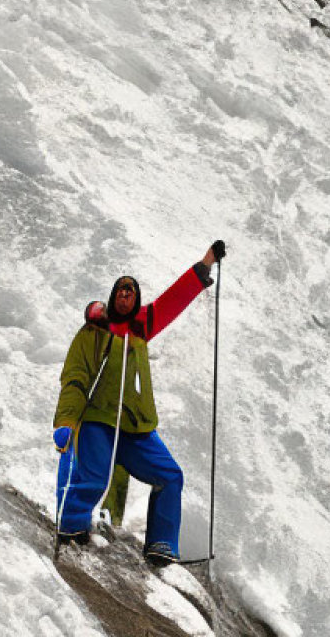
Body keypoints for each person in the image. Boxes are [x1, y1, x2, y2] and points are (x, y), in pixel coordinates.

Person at [52, 241, 225, 566]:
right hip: (98, 420)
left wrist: (205, 265)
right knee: (94, 477)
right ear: (112, 295)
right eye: (121, 290)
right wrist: (66, 421)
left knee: (170, 476)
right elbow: (76, 379)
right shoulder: (95, 331)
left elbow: (172, 301)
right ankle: (71, 526)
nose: (125, 294)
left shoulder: (141, 326)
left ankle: (162, 544)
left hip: (134, 425)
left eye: (131, 291)